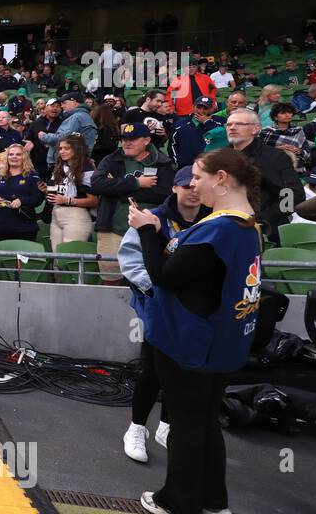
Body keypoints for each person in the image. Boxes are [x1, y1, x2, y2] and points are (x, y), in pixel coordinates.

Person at [130, 149, 263, 514]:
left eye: (199, 178)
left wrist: (145, 230)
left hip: (190, 340)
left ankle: (180, 503)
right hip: (223, 341)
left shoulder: (218, 228)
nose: (193, 185)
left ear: (221, 178)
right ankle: (213, 502)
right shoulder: (247, 224)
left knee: (187, 423)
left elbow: (163, 275)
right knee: (203, 421)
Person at [116, 165, 210, 463]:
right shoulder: (152, 217)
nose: (193, 191)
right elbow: (130, 260)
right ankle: (136, 428)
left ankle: (167, 426)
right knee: (152, 368)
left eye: (197, 185)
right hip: (158, 306)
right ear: (175, 188)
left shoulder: (213, 221)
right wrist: (156, 290)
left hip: (194, 309)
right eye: (186, 186)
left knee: (182, 369)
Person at [89, 121, 174, 284]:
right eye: (124, 138)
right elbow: (96, 184)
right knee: (111, 280)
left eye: (133, 138)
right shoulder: (112, 159)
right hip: (112, 230)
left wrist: (118, 190)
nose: (126, 142)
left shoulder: (162, 162)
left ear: (147, 140)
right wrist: (137, 183)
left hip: (147, 233)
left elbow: (164, 193)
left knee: (146, 281)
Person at [223, 109, 304, 242]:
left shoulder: (274, 157)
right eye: (229, 124)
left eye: (239, 124)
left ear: (256, 129)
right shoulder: (220, 158)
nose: (232, 128)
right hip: (225, 226)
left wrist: (264, 219)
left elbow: (293, 195)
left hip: (263, 232)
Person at [44, 136, 97, 249]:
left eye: (66, 148)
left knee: (70, 258)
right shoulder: (60, 166)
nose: (62, 151)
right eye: (60, 148)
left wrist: (68, 200)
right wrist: (45, 189)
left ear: (77, 149)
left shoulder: (87, 168)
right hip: (56, 213)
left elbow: (94, 200)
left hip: (76, 215)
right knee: (57, 259)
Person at [0, 146, 44, 242]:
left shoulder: (33, 175)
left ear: (24, 157)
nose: (14, 157)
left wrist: (22, 200)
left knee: (24, 256)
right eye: (11, 154)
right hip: (1, 226)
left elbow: (38, 198)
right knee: (3, 257)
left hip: (25, 227)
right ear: (7, 157)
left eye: (18, 154)